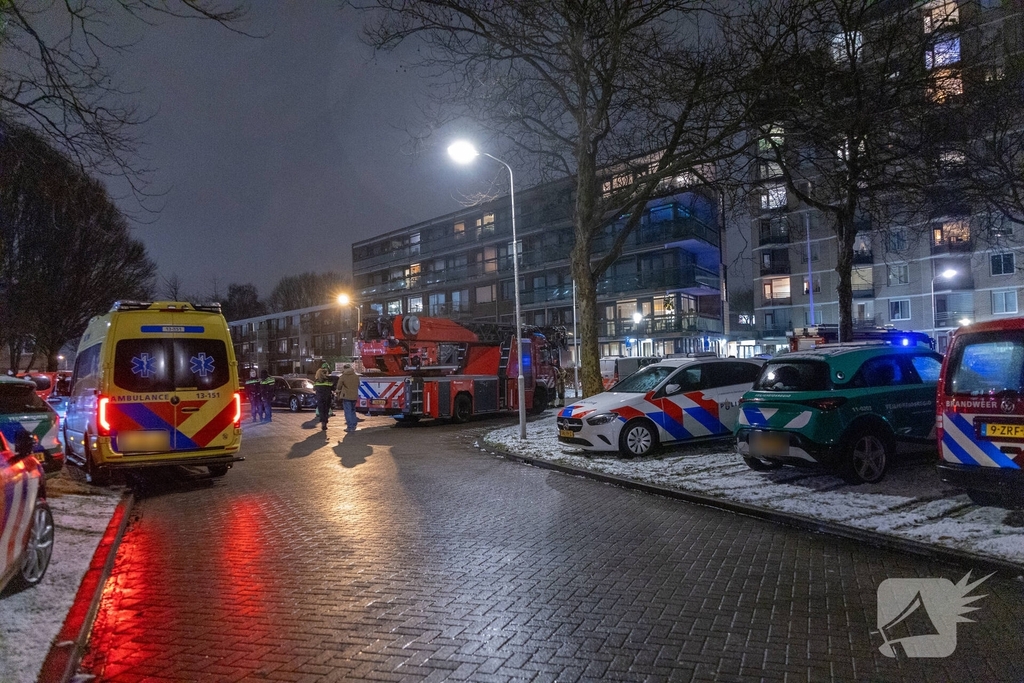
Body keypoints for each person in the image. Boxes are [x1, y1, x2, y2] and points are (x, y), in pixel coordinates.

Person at [335, 363, 360, 432]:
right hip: (354, 396)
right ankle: (354, 424)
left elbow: (338, 386)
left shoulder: (343, 376)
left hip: (346, 396)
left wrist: (338, 390)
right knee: (353, 411)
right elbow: (358, 384)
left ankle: (350, 426)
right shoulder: (356, 376)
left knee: (347, 411)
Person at [313, 363, 334, 431]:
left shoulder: (316, 381)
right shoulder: (328, 380)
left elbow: (314, 388)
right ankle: (325, 422)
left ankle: (323, 423)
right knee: (326, 410)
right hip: (327, 397)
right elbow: (332, 388)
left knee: (321, 410)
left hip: (319, 398)